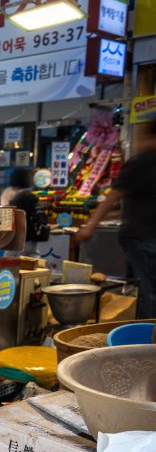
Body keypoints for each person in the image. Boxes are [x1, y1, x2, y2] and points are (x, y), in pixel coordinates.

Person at [75, 120, 156, 317]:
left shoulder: (141, 162)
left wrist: (90, 226)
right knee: (142, 290)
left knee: (146, 292)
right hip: (143, 237)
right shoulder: (144, 163)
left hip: (141, 237)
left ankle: (144, 341)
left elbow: (114, 196)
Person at [0, 167, 48, 246]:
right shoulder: (29, 195)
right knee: (31, 255)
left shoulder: (18, 197)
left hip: (20, 239)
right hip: (30, 238)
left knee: (11, 256)